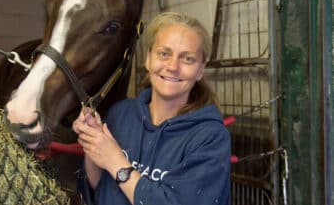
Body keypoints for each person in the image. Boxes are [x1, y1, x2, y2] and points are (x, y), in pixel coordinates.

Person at [72, 12, 231, 205]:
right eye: (164, 54)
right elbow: (100, 190)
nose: (173, 66)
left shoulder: (210, 137)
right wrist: (93, 143)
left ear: (200, 70)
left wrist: (115, 161)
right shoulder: (121, 114)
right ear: (148, 59)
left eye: (187, 59)